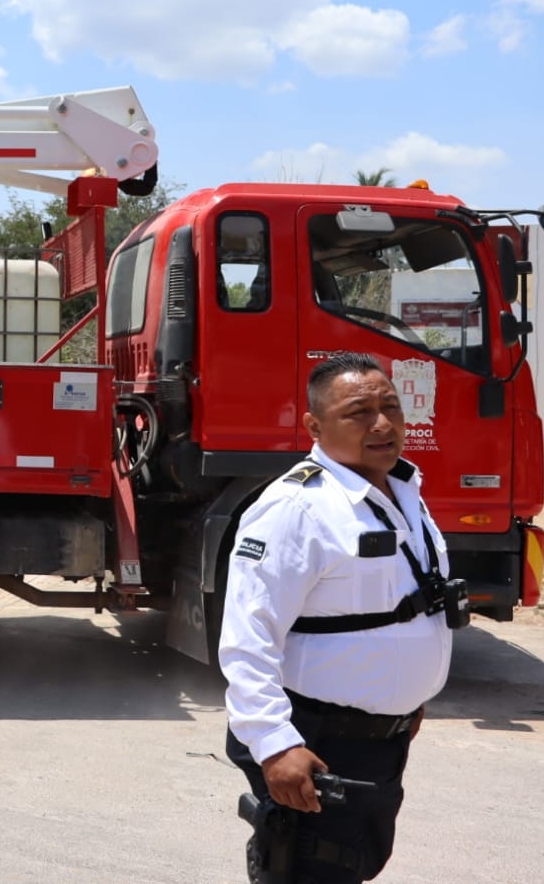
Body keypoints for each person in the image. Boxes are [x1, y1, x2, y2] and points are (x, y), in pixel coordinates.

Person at [220, 351, 457, 883]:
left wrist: (407, 702)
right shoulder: (296, 508)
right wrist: (275, 744)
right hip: (315, 742)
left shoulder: (400, 491)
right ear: (314, 425)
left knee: (353, 867)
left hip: (377, 742)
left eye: (391, 407)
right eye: (359, 412)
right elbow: (247, 636)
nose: (382, 424)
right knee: (313, 871)